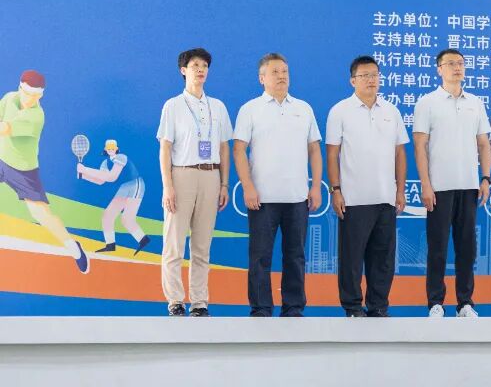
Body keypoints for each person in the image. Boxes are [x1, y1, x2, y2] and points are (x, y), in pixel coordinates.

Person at [233, 53, 322, 317]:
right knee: (260, 257)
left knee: (295, 256)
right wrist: (248, 186)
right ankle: (261, 308)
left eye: (285, 71)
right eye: (275, 72)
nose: (282, 76)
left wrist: (316, 186)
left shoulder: (303, 108)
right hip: (262, 197)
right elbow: (239, 150)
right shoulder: (250, 109)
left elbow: (314, 150)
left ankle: (293, 308)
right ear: (262, 78)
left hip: (297, 197)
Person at [326, 55, 408, 318]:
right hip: (353, 197)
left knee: (383, 258)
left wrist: (400, 190)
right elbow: (332, 154)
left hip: (385, 196)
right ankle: (352, 306)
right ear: (353, 81)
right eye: (364, 76)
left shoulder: (391, 111)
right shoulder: (340, 111)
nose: (371, 80)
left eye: (374, 75)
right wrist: (336, 190)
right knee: (352, 258)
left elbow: (400, 153)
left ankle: (378, 306)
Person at [413, 48, 491, 318]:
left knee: (466, 248)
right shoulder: (427, 102)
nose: (457, 68)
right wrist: (425, 183)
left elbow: (484, 144)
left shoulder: (475, 103)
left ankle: (465, 303)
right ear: (439, 69)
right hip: (439, 187)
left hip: (469, 186)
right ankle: (435, 302)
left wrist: (485, 178)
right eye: (450, 64)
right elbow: (420, 146)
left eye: (460, 63)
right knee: (437, 247)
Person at [158, 48, 233, 316]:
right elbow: (165, 148)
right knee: (175, 243)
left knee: (202, 246)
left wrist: (224, 184)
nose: (200, 70)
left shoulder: (218, 107)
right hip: (182, 175)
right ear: (183, 70)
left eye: (204, 66)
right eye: (195, 66)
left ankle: (200, 302)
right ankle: (175, 301)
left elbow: (224, 148)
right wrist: (168, 186)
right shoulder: (173, 105)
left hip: (211, 175)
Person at [0, 70, 89, 273]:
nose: (29, 98)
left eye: (35, 95)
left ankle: (73, 248)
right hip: (1, 158)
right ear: (19, 88)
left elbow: (4, 129)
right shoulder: (9, 98)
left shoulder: (36, 116)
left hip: (23, 170)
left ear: (41, 95)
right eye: (26, 93)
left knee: (41, 214)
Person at [77, 138, 150, 254]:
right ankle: (110, 245)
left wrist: (85, 169)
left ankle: (143, 240)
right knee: (108, 215)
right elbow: (101, 180)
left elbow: (112, 177)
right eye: (109, 148)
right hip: (124, 188)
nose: (111, 149)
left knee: (127, 219)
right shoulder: (105, 163)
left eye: (113, 148)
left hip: (135, 184)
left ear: (116, 149)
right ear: (105, 149)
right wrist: (83, 175)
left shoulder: (121, 157)